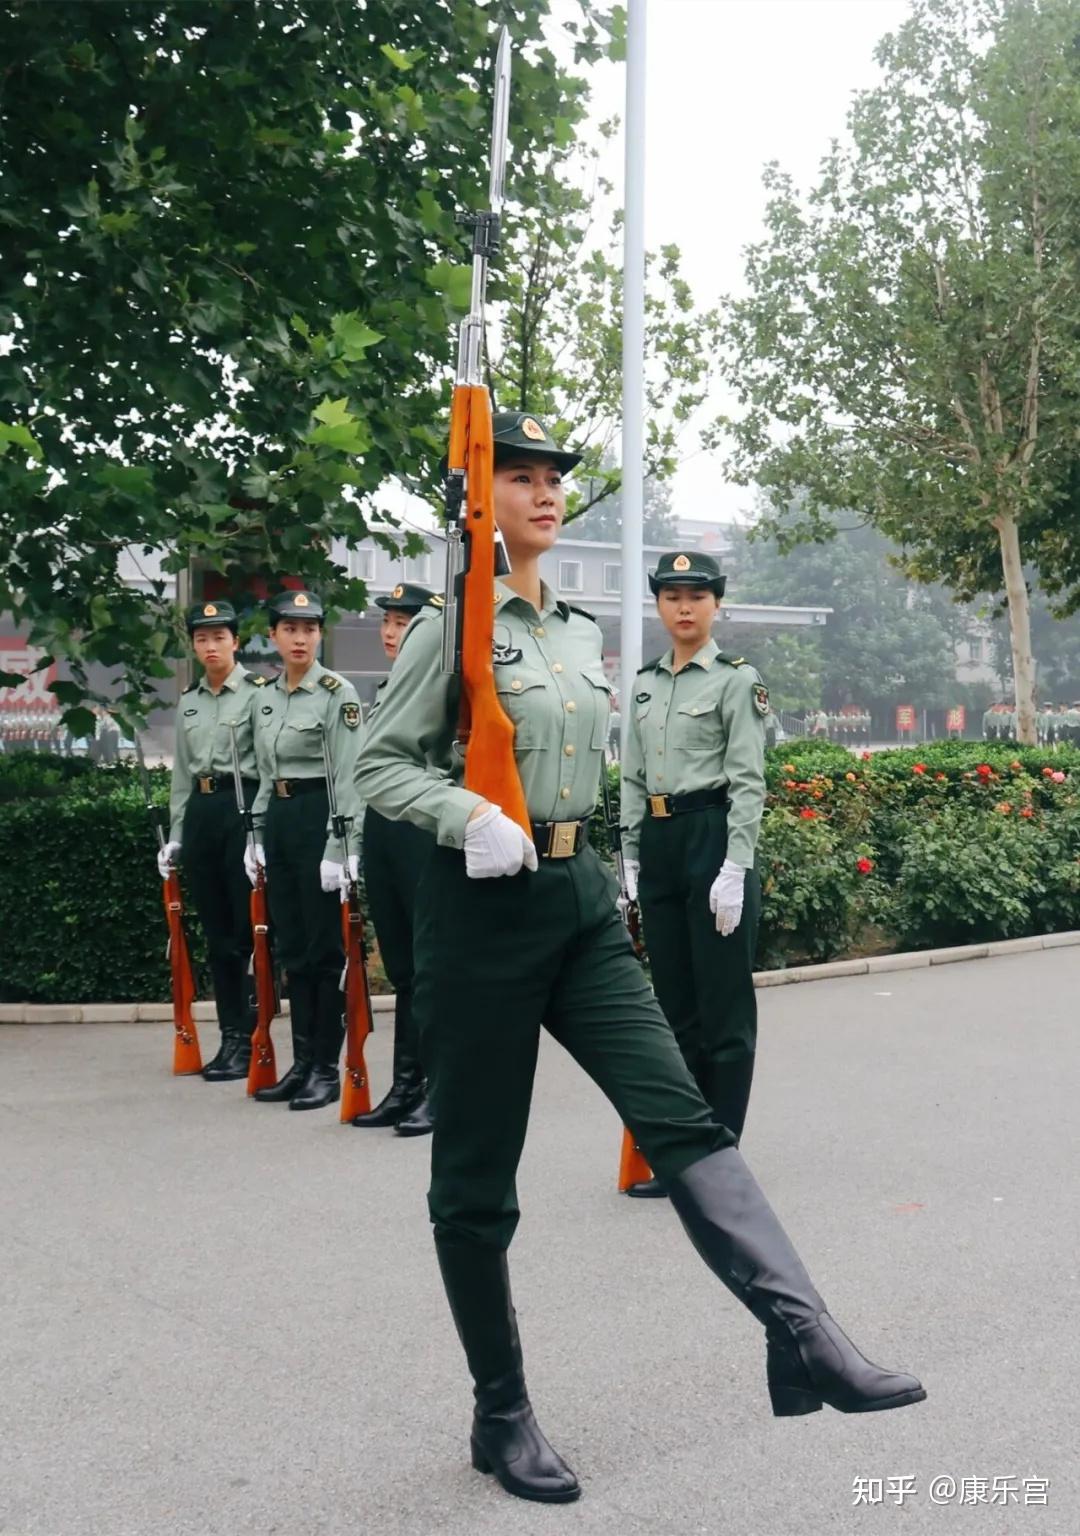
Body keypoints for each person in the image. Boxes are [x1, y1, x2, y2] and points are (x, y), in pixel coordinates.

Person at [356, 409, 925, 1507]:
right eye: (517, 477)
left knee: (681, 1117)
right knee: (476, 1179)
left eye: (552, 478)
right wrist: (462, 815)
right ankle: (501, 1410)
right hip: (479, 915)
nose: (543, 492)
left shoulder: (574, 631)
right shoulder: (454, 624)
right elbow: (383, 765)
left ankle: (805, 1333)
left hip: (576, 903)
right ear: (482, 501)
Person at [619, 551, 766, 1198]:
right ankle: (684, 1154)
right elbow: (630, 774)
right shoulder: (645, 683)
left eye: (697, 596)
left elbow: (748, 780)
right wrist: (628, 854)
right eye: (672, 595)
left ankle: (720, 1157)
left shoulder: (737, 680)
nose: (684, 606)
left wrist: (736, 864)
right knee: (673, 1008)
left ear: (716, 605)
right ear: (657, 604)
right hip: (659, 840)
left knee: (723, 1008)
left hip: (712, 839)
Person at [247, 590, 363, 1110]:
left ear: (320, 635)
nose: (300, 638)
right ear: (273, 635)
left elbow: (349, 775)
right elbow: (263, 775)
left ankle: (326, 1069)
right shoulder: (264, 697)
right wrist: (255, 836)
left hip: (321, 815)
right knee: (292, 948)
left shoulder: (339, 693)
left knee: (323, 950)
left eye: (310, 628)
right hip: (282, 819)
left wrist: (341, 845)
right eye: (290, 628)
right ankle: (301, 1063)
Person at [159, 600, 266, 1081]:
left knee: (249, 934)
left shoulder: (257, 695)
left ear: (235, 642)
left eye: (219, 637)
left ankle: (253, 1036)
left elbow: (267, 769)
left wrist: (257, 833)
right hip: (202, 813)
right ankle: (230, 1038)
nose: (210, 647)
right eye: (202, 639)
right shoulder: (190, 700)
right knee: (219, 936)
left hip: (239, 810)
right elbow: (182, 776)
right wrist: (177, 836)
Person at [351, 581, 442, 1137]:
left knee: (431, 968)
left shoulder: (437, 687)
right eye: (387, 622)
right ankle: (405, 1084)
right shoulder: (387, 691)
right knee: (404, 969)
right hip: (383, 826)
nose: (391, 632)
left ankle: (439, 1085)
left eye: (404, 623)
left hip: (421, 826)